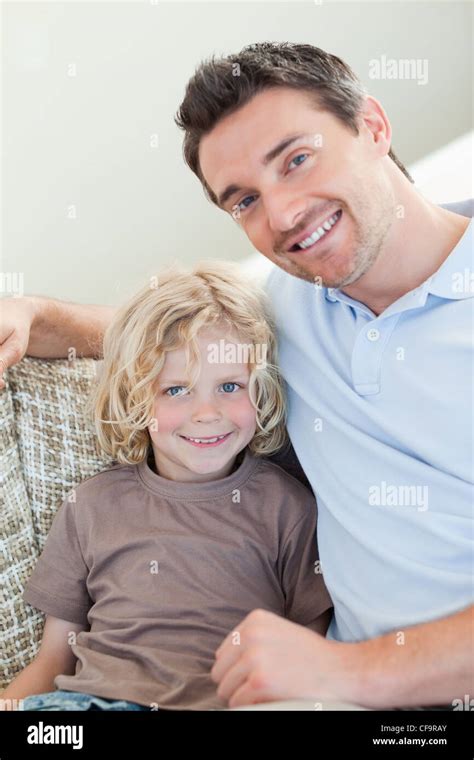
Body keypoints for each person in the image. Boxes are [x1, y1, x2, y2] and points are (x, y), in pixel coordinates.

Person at [1, 42, 472, 710]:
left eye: (297, 159)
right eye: (244, 199)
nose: (281, 216)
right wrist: (33, 314)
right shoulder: (291, 306)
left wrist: (351, 673)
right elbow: (171, 342)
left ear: (372, 127)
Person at [1, 260, 332, 711]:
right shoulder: (90, 506)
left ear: (263, 390)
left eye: (230, 386)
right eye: (176, 390)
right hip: (88, 705)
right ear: (135, 397)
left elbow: (308, 659)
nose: (206, 413)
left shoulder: (288, 508)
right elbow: (51, 660)